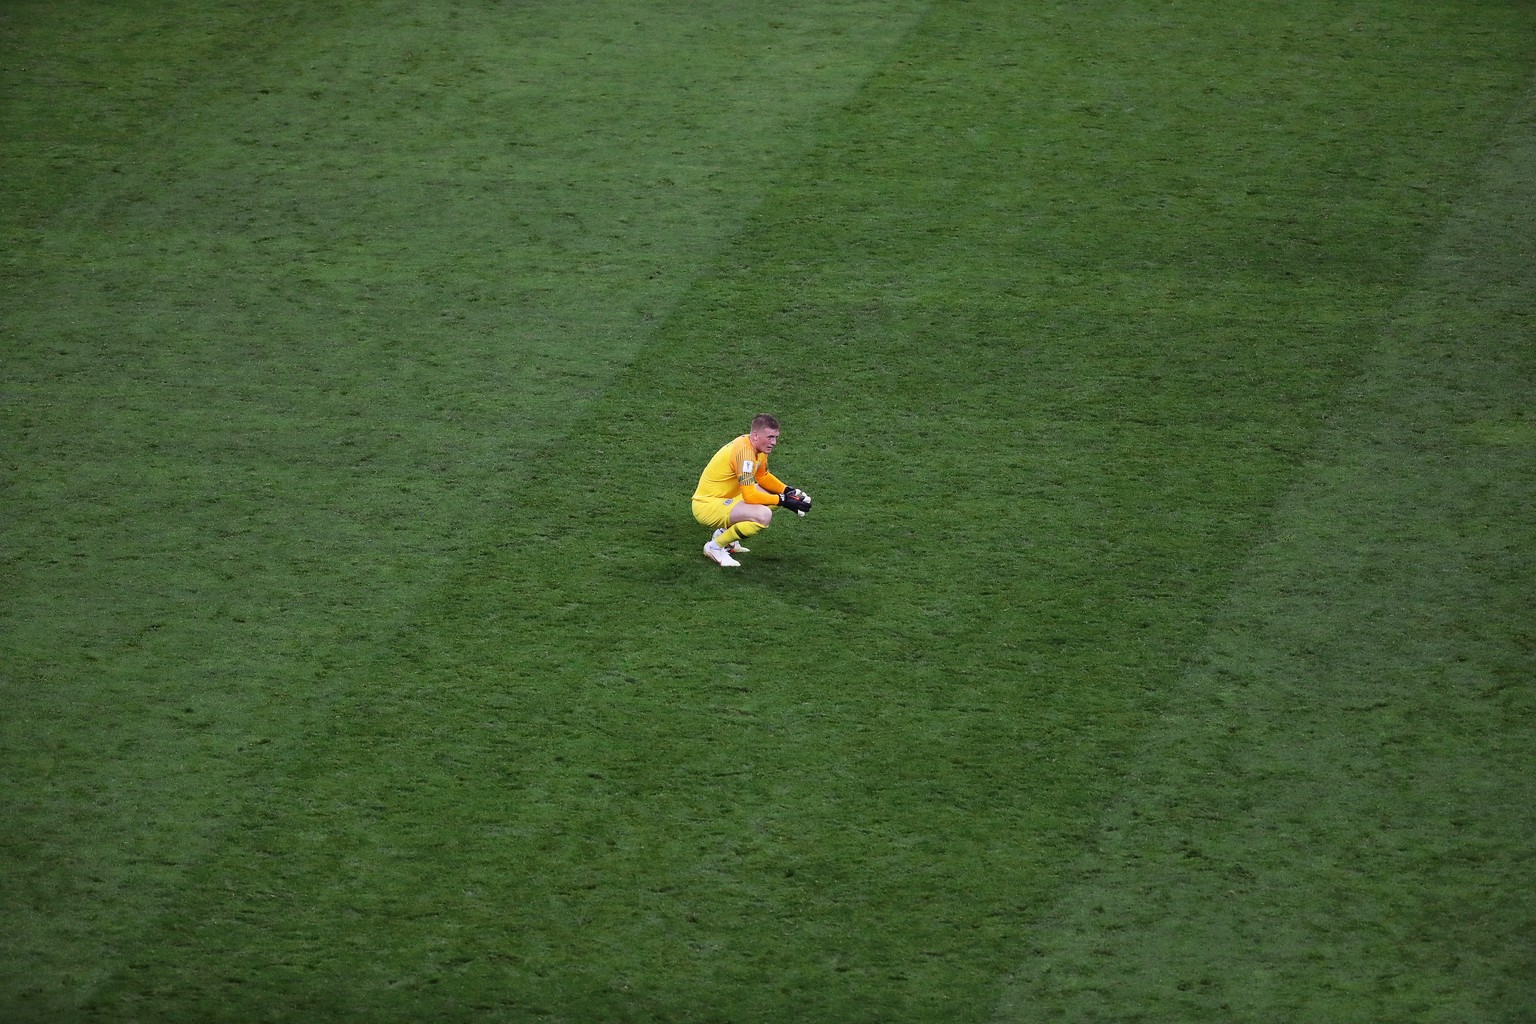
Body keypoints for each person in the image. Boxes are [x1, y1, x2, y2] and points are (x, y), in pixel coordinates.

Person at [691, 414, 812, 567]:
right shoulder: (744, 455)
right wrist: (784, 501)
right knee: (763, 515)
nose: (774, 442)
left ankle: (724, 534)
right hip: (707, 506)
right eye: (770, 437)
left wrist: (788, 491)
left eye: (775, 437)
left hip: (726, 499)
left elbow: (763, 476)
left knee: (772, 494)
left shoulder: (756, 447)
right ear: (755, 435)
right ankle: (714, 547)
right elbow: (749, 496)